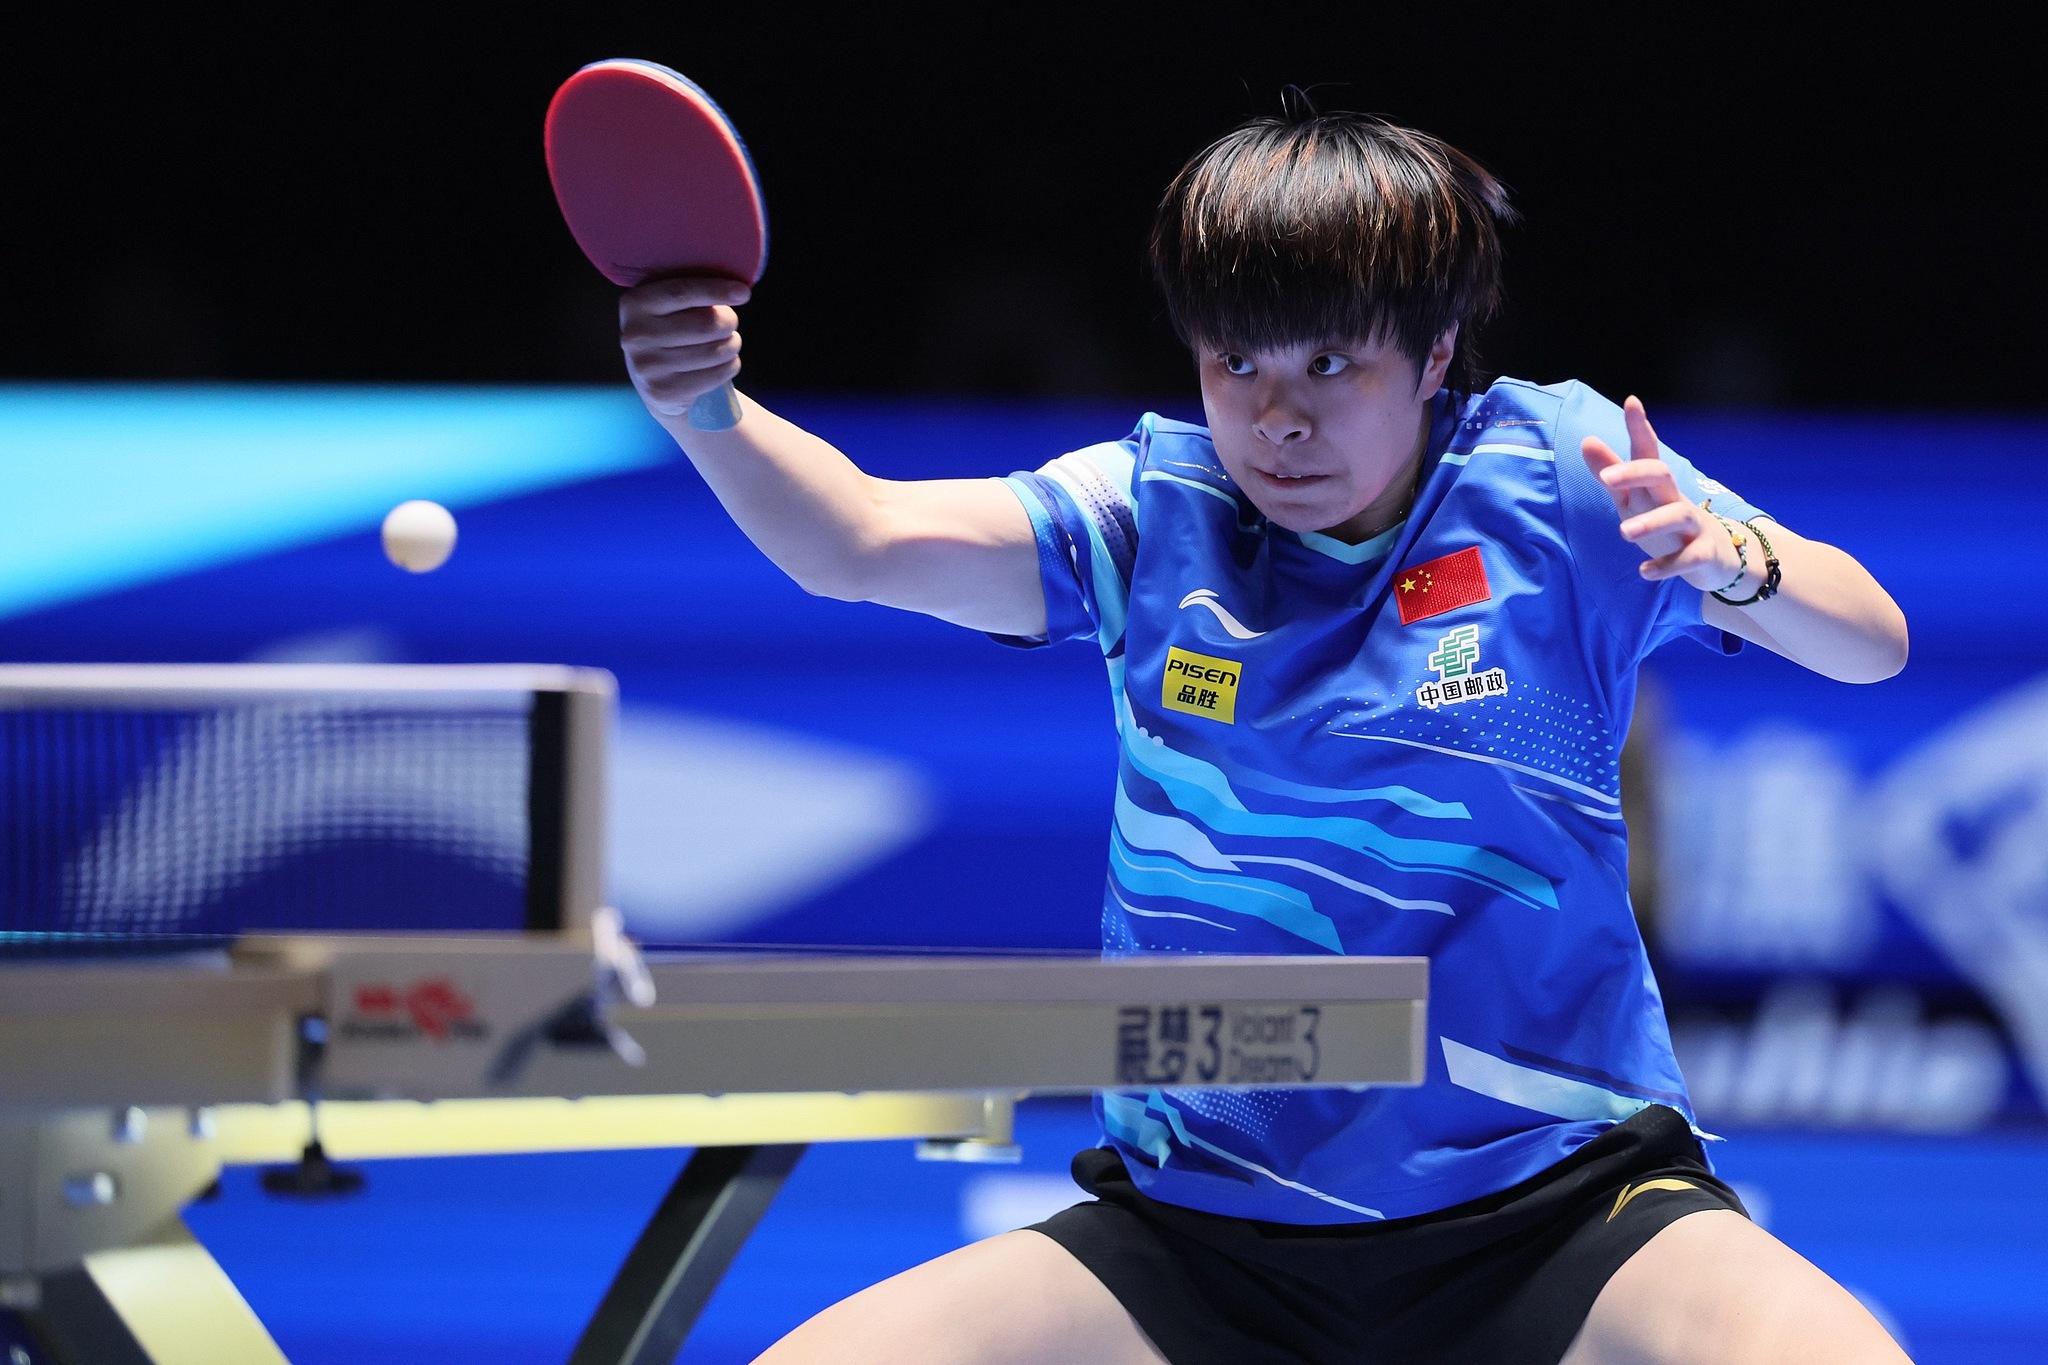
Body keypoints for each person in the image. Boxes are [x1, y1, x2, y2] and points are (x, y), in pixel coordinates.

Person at [617, 109, 1911, 1365]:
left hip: (1563, 1208)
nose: (1277, 417)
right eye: (1235, 363)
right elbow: (859, 541)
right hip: (1200, 1237)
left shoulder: (1560, 478)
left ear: (1437, 352)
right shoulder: (1153, 514)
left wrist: (1731, 560)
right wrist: (704, 406)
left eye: (1329, 365)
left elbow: (1873, 638)